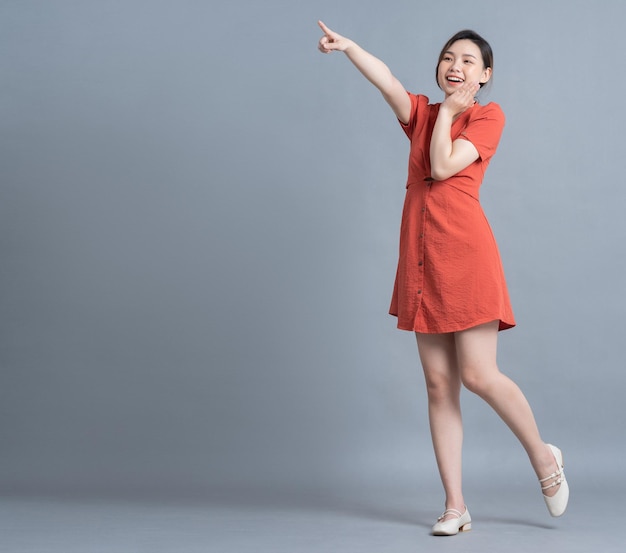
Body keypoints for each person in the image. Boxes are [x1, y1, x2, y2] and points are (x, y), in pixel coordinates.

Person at [316, 21, 569, 536]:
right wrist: (350, 49)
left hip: (467, 255)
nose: (455, 66)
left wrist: (450, 114)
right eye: (448, 57)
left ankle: (544, 458)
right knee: (437, 384)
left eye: (468, 60)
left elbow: (445, 165)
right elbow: (386, 81)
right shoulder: (422, 114)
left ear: (486, 74)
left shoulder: (487, 115)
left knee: (478, 375)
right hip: (421, 258)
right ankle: (455, 505)